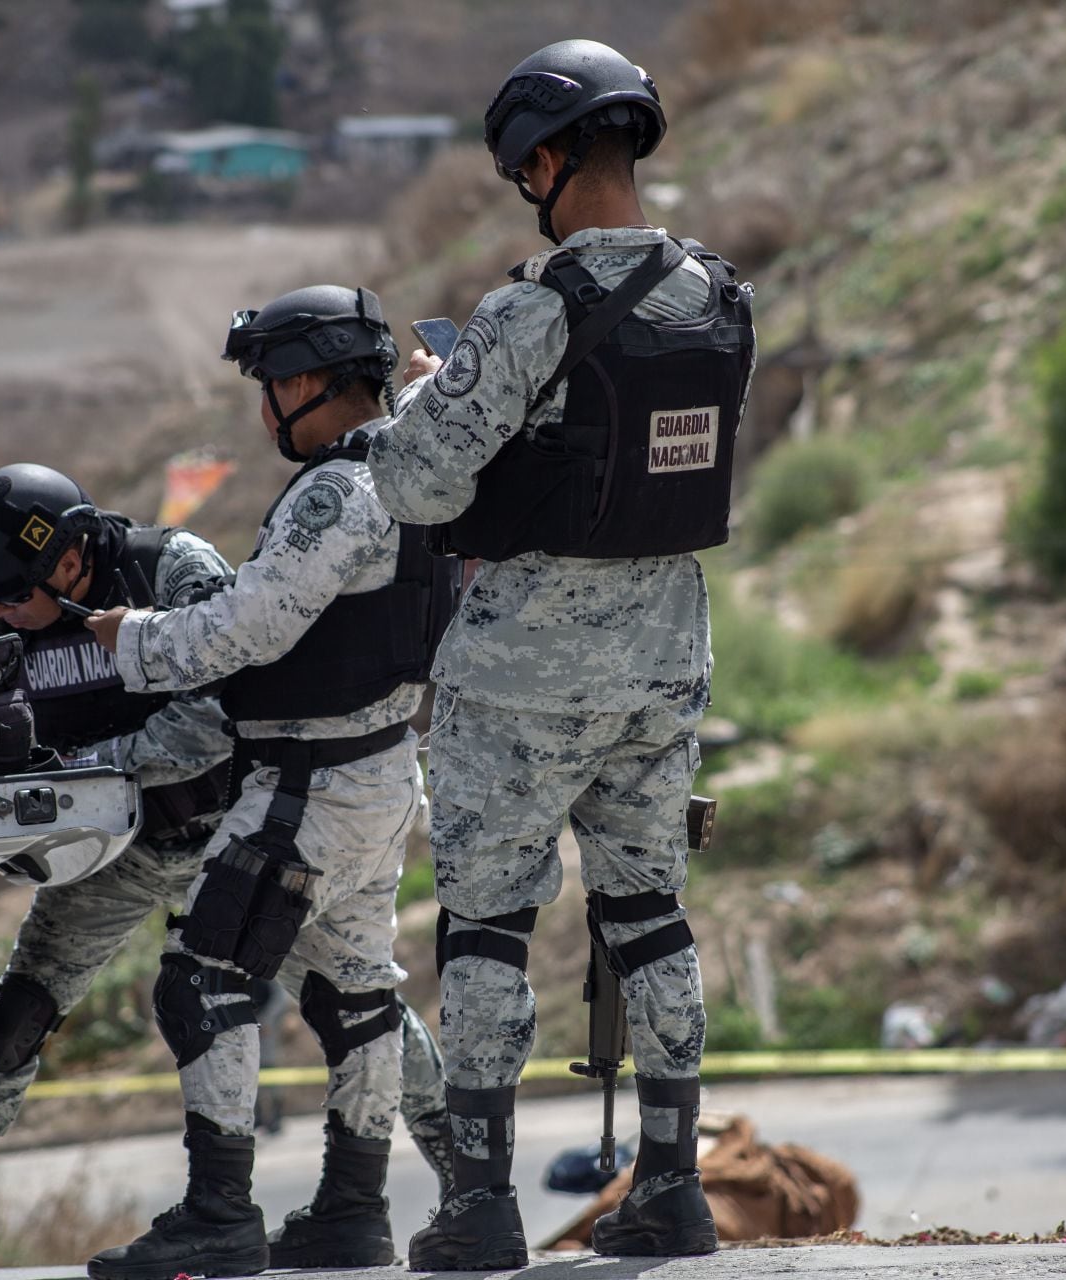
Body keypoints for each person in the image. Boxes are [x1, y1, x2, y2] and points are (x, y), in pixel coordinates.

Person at [0, 464, 453, 1280]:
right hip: (111, 860)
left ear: (68, 560)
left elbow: (216, 714)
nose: (2, 615)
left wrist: (89, 772)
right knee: (11, 1020)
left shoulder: (173, 569)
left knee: (355, 999)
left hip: (224, 833)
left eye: (15, 598)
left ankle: (465, 1184)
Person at [363, 38, 757, 1270]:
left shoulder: (534, 308)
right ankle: (675, 1189)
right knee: (650, 911)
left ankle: (481, 1205)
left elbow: (418, 481)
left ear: (543, 158)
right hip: (666, 651)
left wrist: (431, 390)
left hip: (524, 663)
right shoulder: (720, 292)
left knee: (485, 918)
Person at [82, 286, 460, 1279]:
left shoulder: (338, 488)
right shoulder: (421, 460)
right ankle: (350, 1210)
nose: (263, 410)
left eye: (269, 384)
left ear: (311, 381)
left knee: (202, 981)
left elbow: (251, 628)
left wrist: (132, 641)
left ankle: (218, 1213)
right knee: (360, 993)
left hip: (305, 789)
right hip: (378, 776)